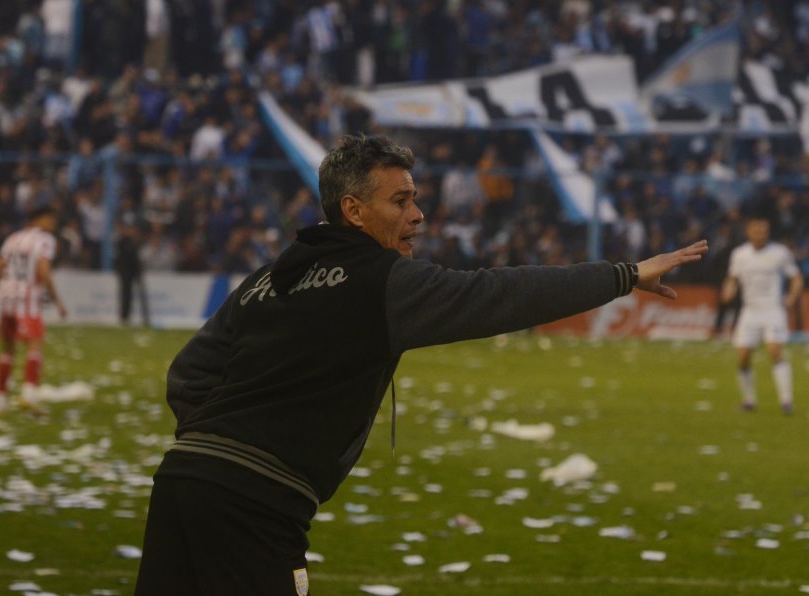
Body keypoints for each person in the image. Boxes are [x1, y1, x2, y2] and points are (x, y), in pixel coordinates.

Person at [134, 135, 708, 595]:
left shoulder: (268, 278)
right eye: (400, 201)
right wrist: (623, 275)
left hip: (181, 481)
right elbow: (504, 294)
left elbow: (188, 372)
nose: (419, 214)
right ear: (353, 210)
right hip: (255, 505)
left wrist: (211, 438)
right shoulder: (385, 282)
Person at [721, 213, 803, 414]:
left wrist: (792, 297)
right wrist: (728, 289)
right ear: (748, 231)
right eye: (756, 230)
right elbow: (732, 278)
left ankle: (786, 402)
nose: (760, 234)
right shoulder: (740, 254)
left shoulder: (780, 253)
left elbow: (796, 277)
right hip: (750, 312)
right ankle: (748, 401)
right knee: (743, 357)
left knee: (775, 351)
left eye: (764, 230)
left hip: (773, 310)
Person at [0, 205, 67, 415]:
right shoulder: (45, 240)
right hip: (28, 300)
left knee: (7, 350)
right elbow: (43, 270)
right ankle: (29, 395)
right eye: (49, 219)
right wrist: (56, 300)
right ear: (38, 220)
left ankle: (0, 402)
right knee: (34, 345)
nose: (52, 224)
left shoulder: (13, 238)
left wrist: (6, 286)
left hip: (5, 298)